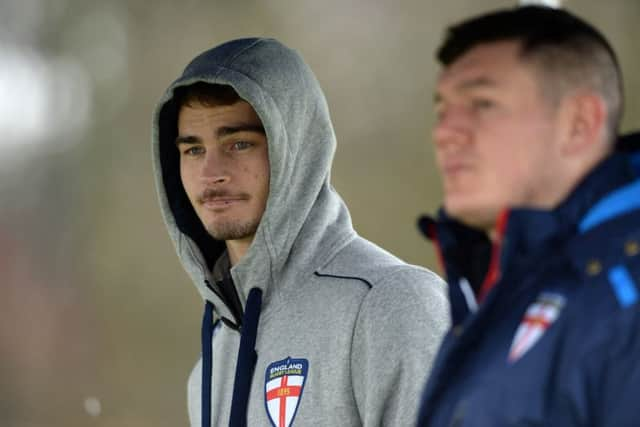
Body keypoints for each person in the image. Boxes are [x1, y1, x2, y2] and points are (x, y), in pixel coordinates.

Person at [151, 38, 449, 427]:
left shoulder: (392, 305)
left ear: (297, 149)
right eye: (193, 150)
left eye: (239, 144)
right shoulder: (211, 364)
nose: (211, 173)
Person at [416, 5, 640, 426]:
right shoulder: (500, 285)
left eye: (482, 103)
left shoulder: (624, 294)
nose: (445, 132)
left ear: (579, 123)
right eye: (442, 110)